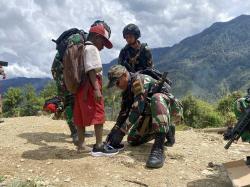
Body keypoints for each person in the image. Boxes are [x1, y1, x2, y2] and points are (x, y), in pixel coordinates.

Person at [106, 65, 183, 168]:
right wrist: (113, 132)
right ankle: (167, 129)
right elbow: (124, 112)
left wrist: (121, 133)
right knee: (133, 140)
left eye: (117, 82)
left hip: (171, 109)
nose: (117, 86)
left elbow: (138, 109)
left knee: (157, 98)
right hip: (152, 115)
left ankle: (158, 148)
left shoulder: (139, 81)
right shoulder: (127, 90)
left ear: (124, 75)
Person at [118, 23, 176, 146]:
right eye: (126, 37)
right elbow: (120, 70)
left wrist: (140, 76)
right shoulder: (124, 52)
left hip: (145, 82)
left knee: (150, 105)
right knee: (126, 106)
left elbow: (150, 69)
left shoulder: (145, 50)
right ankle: (122, 130)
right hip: (130, 82)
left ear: (136, 36)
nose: (128, 39)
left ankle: (167, 130)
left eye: (130, 36)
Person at [73, 23, 118, 156]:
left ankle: (81, 145)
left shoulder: (83, 48)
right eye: (103, 41)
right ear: (97, 37)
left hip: (80, 86)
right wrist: (97, 89)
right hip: (91, 85)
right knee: (98, 113)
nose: (103, 46)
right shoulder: (92, 48)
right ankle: (99, 146)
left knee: (80, 115)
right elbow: (92, 70)